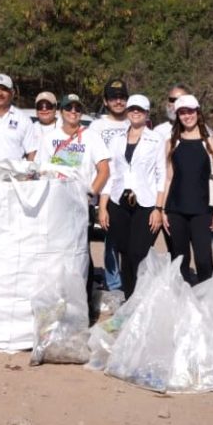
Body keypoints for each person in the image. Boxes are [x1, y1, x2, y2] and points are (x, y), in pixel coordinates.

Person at [98, 94, 166, 297]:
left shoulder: (156, 139)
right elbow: (110, 174)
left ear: (147, 113)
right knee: (124, 253)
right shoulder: (117, 139)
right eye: (132, 109)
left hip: (146, 203)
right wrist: (103, 206)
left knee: (138, 253)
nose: (135, 113)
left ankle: (140, 296)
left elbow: (161, 175)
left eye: (140, 110)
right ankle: (129, 300)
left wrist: (158, 208)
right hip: (118, 202)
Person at [160, 95, 213, 284]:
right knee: (180, 260)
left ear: (198, 112)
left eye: (190, 111)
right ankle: (183, 304)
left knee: (204, 260)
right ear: (177, 115)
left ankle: (206, 302)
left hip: (202, 211)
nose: (187, 116)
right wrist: (163, 209)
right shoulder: (172, 143)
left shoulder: (211, 142)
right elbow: (169, 178)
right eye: (182, 112)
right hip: (176, 210)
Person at [90, 79, 132, 291]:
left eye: (122, 97)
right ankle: (113, 284)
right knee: (111, 241)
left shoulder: (134, 121)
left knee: (131, 241)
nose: (118, 101)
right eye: (113, 97)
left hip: (132, 192)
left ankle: (131, 280)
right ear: (106, 101)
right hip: (107, 192)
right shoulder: (97, 126)